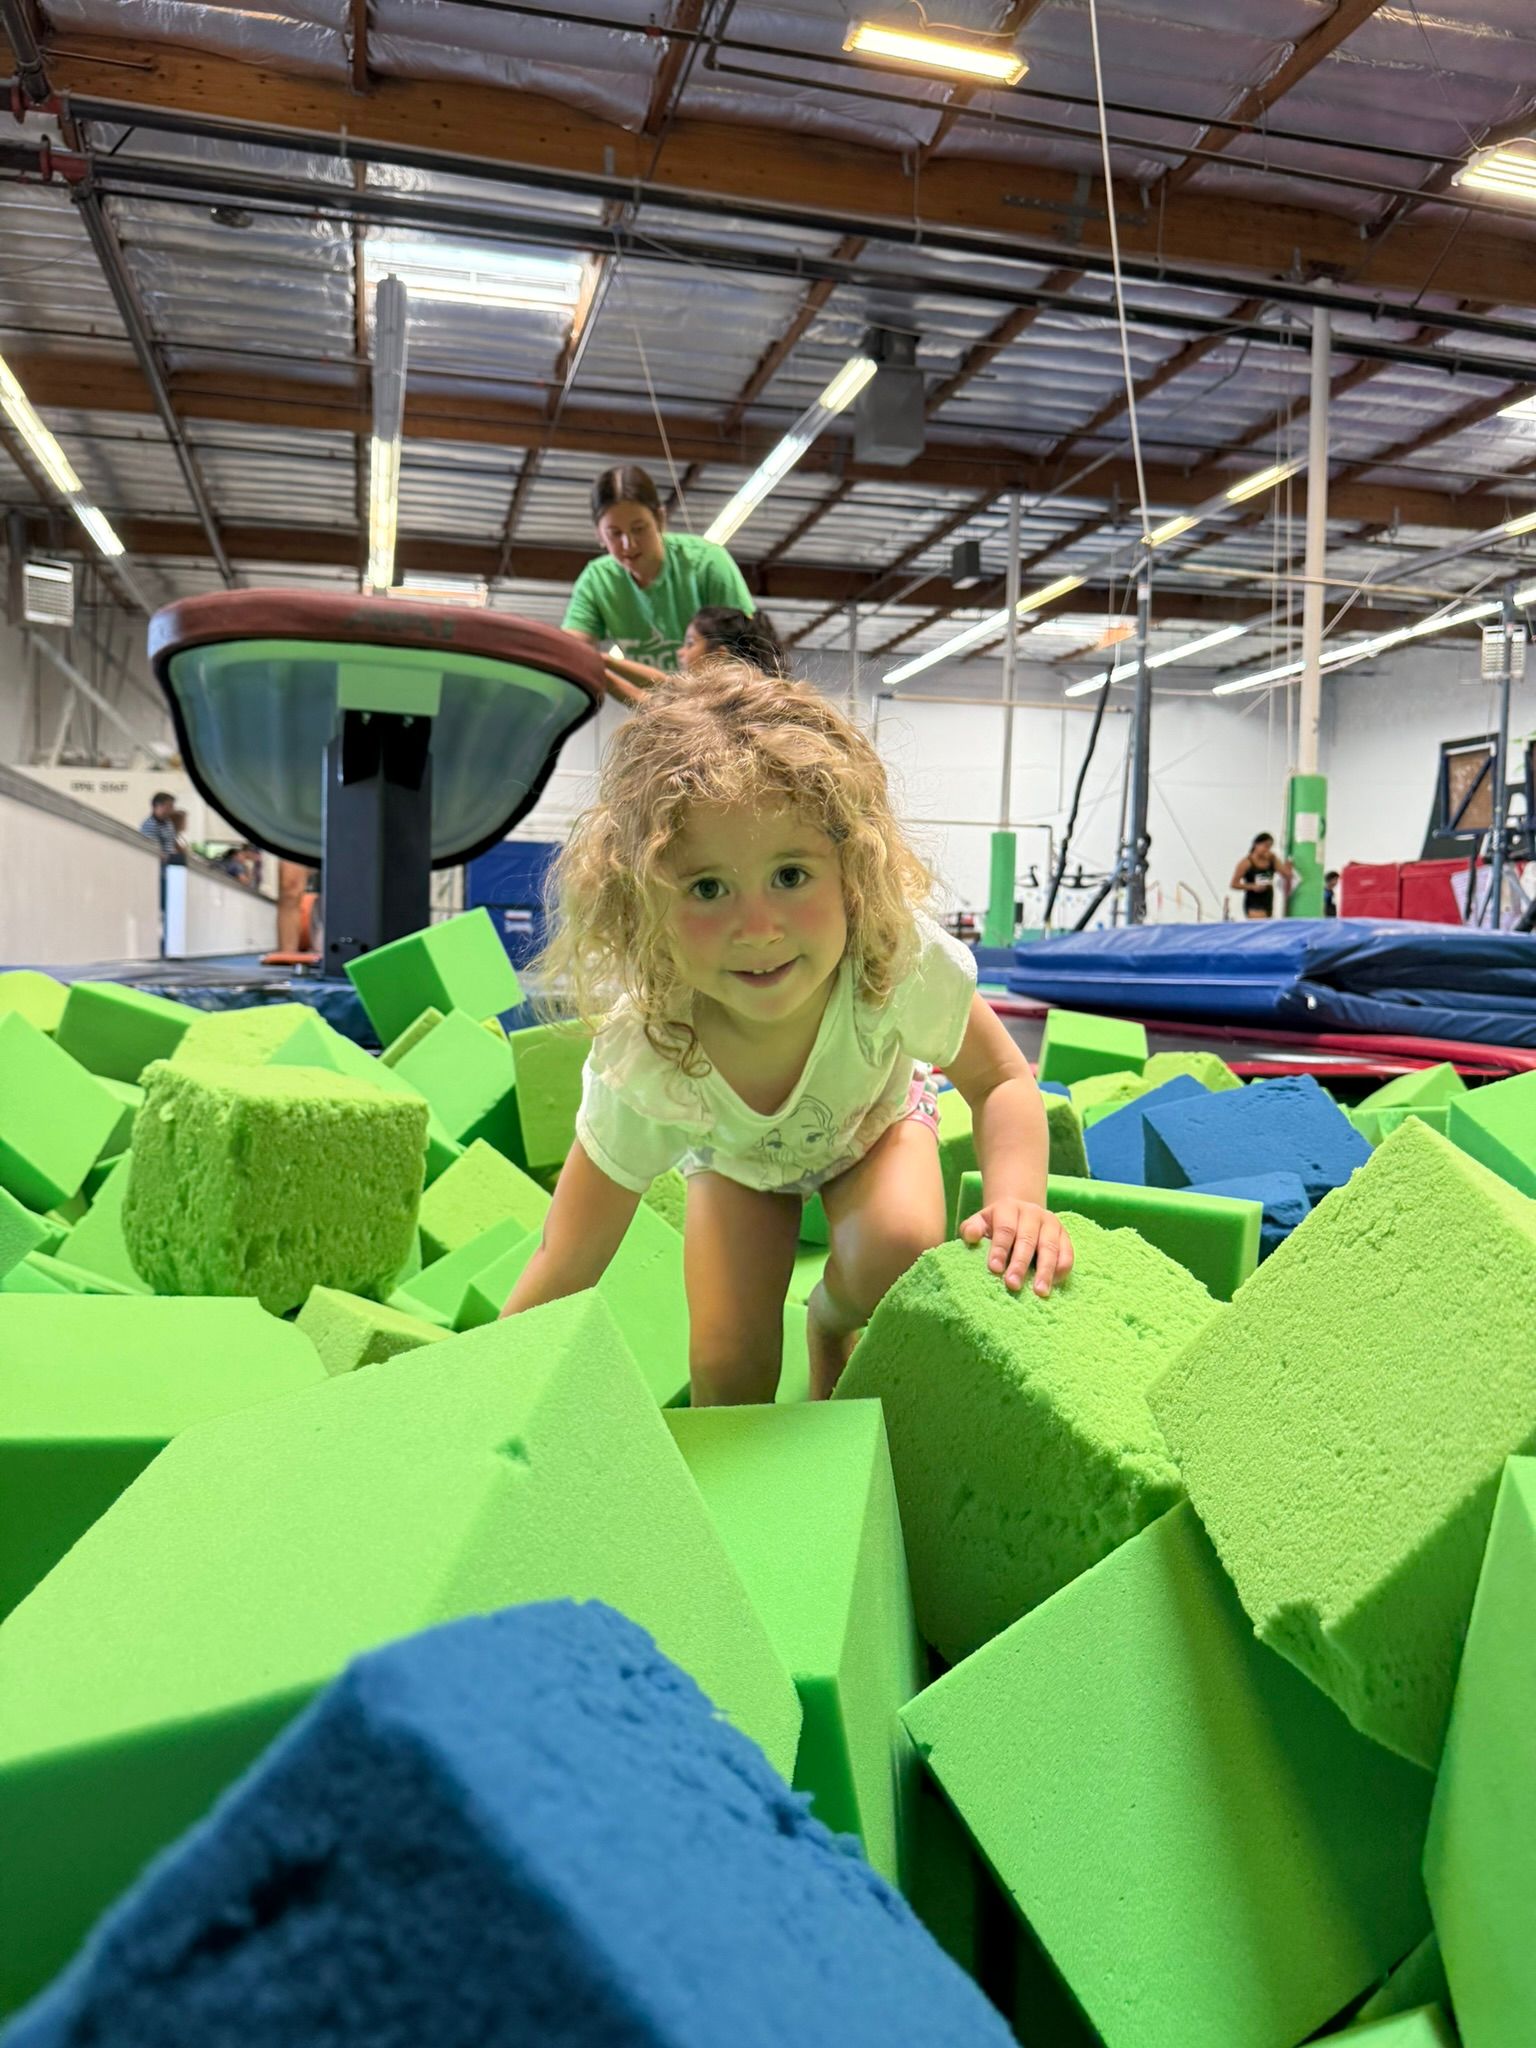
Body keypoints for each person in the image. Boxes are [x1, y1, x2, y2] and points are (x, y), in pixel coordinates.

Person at [500, 662, 1072, 1406]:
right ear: (646, 911)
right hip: (739, 1166)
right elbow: (568, 1254)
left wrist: (1020, 1199)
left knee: (894, 1253)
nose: (758, 929)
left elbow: (999, 1081)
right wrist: (487, 1390)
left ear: (852, 872)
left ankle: (830, 1321)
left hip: (874, 1124)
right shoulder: (653, 1052)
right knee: (727, 1369)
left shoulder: (890, 963)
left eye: (792, 875)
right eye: (707, 888)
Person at [563, 466, 755, 675]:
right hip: (658, 701)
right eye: (615, 534)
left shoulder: (707, 563)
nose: (629, 544)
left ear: (660, 519)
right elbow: (571, 649)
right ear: (599, 535)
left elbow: (748, 649)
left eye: (639, 529)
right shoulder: (596, 581)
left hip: (715, 696)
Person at [601, 604, 788, 703]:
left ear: (719, 656)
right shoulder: (742, 690)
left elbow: (649, 701)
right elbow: (664, 683)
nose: (680, 652)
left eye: (690, 644)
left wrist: (601, 675)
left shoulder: (727, 701)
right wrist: (605, 661)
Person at [1230, 832, 1295, 920]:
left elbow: (1285, 874)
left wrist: (1288, 866)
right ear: (1256, 845)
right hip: (1254, 901)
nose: (1266, 850)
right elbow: (1234, 884)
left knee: (1267, 924)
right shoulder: (1246, 862)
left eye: (1269, 847)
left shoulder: (1271, 859)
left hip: (1267, 898)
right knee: (1259, 924)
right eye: (1265, 846)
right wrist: (1252, 886)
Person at [138, 791, 180, 859]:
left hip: (169, 862)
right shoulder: (149, 825)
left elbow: (170, 845)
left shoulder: (168, 824)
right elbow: (152, 850)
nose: (173, 809)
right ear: (159, 805)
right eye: (170, 806)